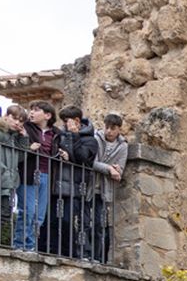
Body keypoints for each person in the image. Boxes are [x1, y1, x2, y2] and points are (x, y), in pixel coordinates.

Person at [47, 107, 97, 258]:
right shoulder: (59, 135)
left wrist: (74, 136)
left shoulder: (90, 140)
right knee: (54, 221)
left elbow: (83, 158)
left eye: (66, 121)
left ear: (76, 120)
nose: (64, 124)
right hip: (57, 185)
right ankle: (56, 251)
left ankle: (76, 254)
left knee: (71, 222)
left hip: (76, 187)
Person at [16, 101, 57, 251]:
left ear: (47, 115)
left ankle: (31, 246)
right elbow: (17, 144)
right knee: (27, 211)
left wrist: (64, 153)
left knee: (39, 216)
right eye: (31, 109)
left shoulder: (56, 133)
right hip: (29, 173)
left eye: (36, 110)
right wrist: (29, 147)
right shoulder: (26, 128)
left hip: (47, 175)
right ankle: (20, 245)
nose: (31, 112)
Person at [0, 106, 26, 247]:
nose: (17, 123)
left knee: (4, 214)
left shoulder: (12, 138)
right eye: (14, 118)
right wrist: (2, 169)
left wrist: (24, 139)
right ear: (6, 116)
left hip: (7, 182)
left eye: (21, 121)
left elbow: (19, 158)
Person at [90, 113, 128, 263]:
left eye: (113, 128)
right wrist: (109, 169)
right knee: (89, 222)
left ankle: (100, 258)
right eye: (107, 127)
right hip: (90, 186)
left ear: (119, 129)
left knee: (102, 225)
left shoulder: (123, 146)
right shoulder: (96, 139)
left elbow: (120, 171)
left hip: (106, 191)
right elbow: (91, 162)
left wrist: (115, 170)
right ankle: (90, 256)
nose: (109, 131)